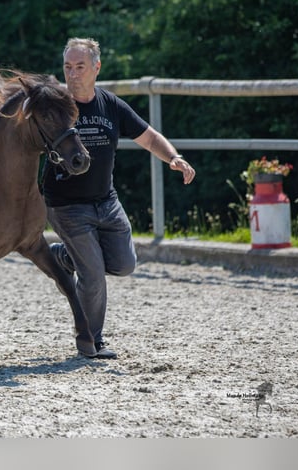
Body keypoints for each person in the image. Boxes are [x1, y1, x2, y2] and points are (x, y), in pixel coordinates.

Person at [44, 37, 195, 359]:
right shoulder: (55, 108)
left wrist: (173, 158)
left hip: (106, 201)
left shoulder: (110, 105)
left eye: (80, 66)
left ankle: (63, 258)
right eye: (67, 67)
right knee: (93, 274)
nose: (73, 73)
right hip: (67, 205)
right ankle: (91, 340)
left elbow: (149, 136)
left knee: (125, 265)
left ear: (97, 68)